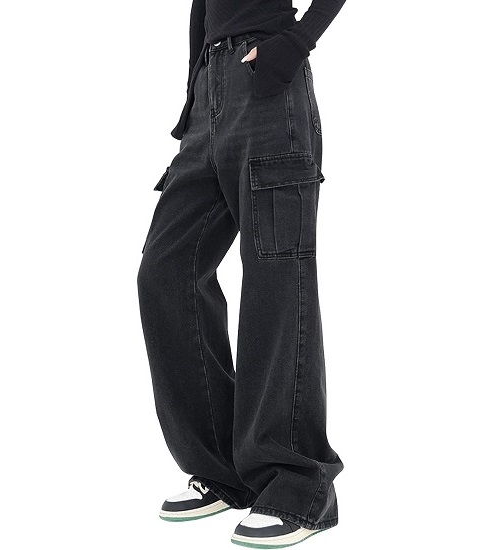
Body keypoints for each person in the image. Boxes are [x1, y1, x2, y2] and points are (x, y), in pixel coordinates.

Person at [137, 0, 347, 547]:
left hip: (267, 88)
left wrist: (294, 44)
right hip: (210, 95)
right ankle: (221, 469)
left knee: (275, 278)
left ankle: (297, 484)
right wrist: (197, 87)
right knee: (165, 270)